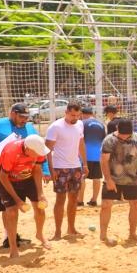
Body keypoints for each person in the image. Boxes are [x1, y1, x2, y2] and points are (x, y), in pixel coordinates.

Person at [0, 102, 47, 250]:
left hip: (27, 174)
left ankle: (36, 235)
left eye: (27, 117)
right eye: (21, 116)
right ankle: (9, 237)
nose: (24, 120)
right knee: (7, 208)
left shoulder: (30, 129)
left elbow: (39, 151)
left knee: (37, 205)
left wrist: (45, 170)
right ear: (12, 113)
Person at [0, 134, 52, 258]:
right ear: (27, 149)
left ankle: (40, 234)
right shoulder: (11, 151)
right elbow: (3, 177)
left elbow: (37, 169)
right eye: (36, 153)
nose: (38, 155)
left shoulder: (38, 148)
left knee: (40, 207)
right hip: (7, 181)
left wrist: (40, 193)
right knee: (12, 212)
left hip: (28, 178)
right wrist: (18, 200)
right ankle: (13, 247)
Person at [99, 119, 137, 245]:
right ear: (117, 129)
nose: (124, 137)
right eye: (122, 134)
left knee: (135, 204)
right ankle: (103, 235)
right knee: (106, 205)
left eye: (127, 135)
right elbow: (104, 161)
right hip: (113, 179)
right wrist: (108, 179)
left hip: (132, 179)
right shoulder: (109, 140)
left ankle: (132, 233)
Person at [44, 101, 88, 240]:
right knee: (60, 199)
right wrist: (50, 171)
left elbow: (81, 144)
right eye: (72, 115)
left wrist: (85, 164)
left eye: (77, 115)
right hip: (59, 167)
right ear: (66, 112)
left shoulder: (80, 124)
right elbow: (47, 151)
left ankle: (71, 228)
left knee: (74, 199)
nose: (75, 118)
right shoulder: (55, 127)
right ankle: (57, 232)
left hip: (75, 166)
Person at [80, 105, 107, 206]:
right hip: (97, 155)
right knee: (96, 178)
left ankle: (80, 200)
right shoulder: (101, 124)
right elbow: (104, 140)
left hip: (84, 155)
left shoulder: (82, 123)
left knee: (81, 178)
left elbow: (79, 139)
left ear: (83, 114)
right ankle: (94, 200)